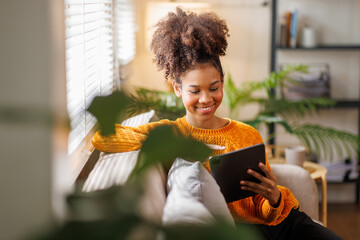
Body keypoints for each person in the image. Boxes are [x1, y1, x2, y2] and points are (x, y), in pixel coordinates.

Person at [92, 7, 342, 240]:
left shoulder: (247, 134)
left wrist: (273, 195)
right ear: (177, 88)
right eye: (195, 90)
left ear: (222, 81)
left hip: (285, 224)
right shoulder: (171, 134)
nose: (206, 99)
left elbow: (266, 210)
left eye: (214, 87)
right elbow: (103, 138)